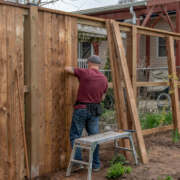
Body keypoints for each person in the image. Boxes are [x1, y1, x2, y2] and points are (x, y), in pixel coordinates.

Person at [65, 55, 108, 172]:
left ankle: (78, 163)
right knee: (95, 137)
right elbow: (103, 98)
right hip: (94, 110)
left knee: (75, 136)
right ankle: (96, 165)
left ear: (89, 63)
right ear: (99, 65)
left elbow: (67, 69)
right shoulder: (104, 79)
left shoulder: (85, 72)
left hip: (81, 108)